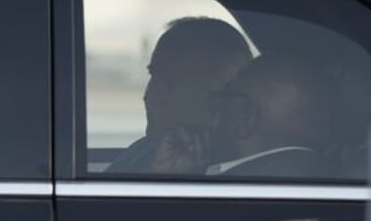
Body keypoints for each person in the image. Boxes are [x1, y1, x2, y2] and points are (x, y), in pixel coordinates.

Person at [106, 17, 252, 173]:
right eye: (153, 77)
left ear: (222, 94)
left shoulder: (246, 176)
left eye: (170, 84)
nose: (148, 97)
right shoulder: (142, 151)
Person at [203, 53, 331, 177]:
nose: (215, 108)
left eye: (226, 97)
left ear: (246, 119)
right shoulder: (326, 174)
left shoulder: (233, 186)